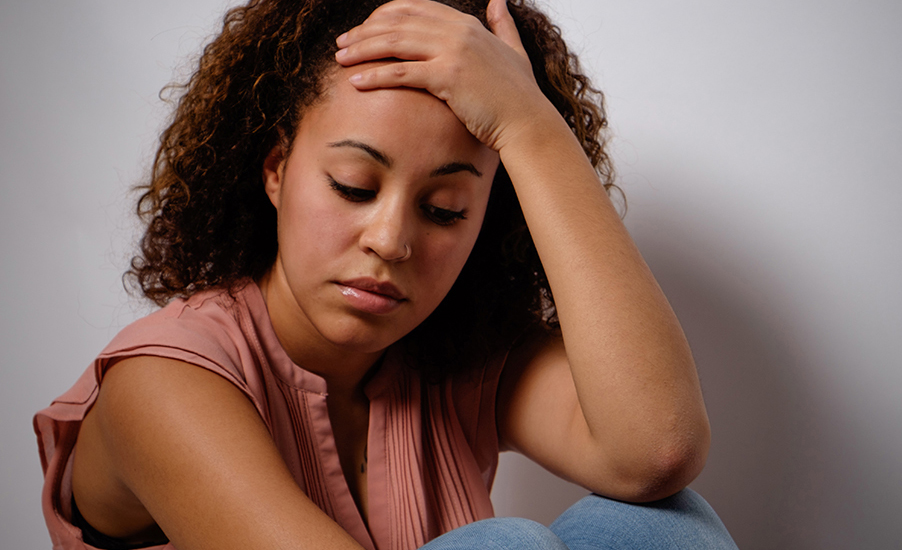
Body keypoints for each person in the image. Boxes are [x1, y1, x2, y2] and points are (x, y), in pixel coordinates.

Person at [34, 0, 738, 548]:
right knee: (505, 545)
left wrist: (530, 128)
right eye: (352, 185)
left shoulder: (457, 360)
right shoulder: (161, 384)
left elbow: (657, 450)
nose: (391, 240)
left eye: (443, 209)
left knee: (662, 526)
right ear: (275, 171)